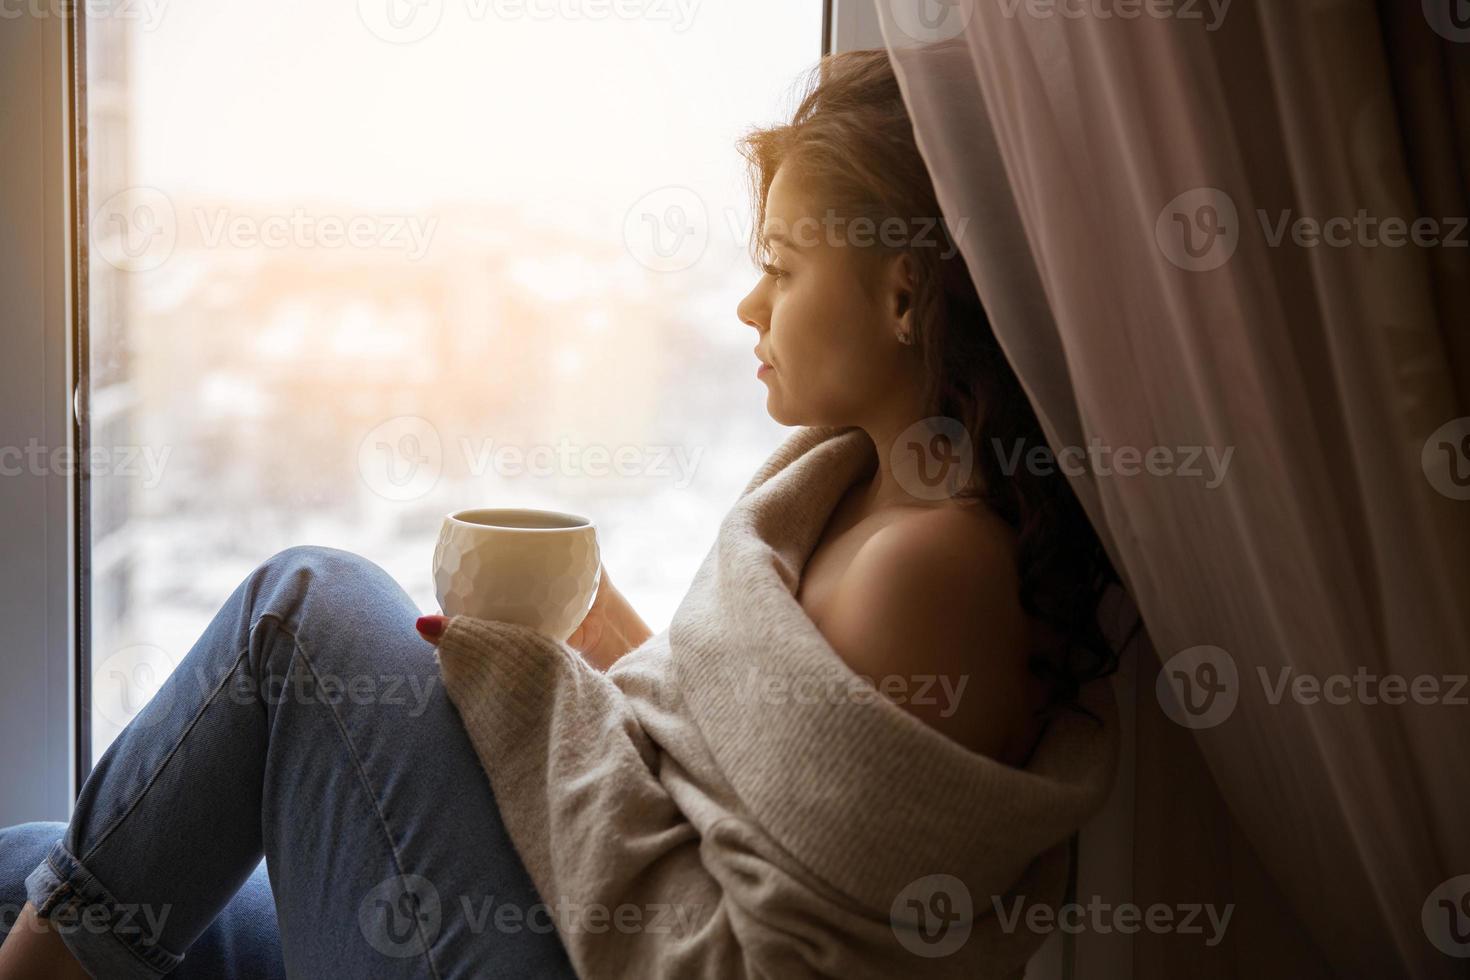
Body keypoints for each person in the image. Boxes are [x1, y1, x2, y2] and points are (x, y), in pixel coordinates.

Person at [0, 49, 1122, 978]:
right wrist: (591, 637)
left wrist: (544, 701)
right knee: (36, 859)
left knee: (306, 609)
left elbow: (757, 947)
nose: (749, 302)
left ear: (903, 290)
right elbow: (731, 779)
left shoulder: (930, 565)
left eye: (781, 266)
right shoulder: (846, 487)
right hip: (568, 932)